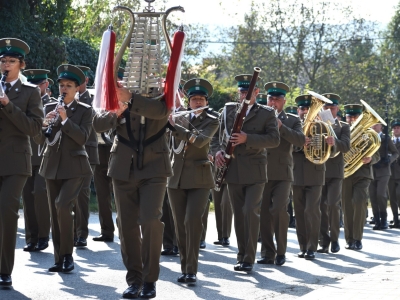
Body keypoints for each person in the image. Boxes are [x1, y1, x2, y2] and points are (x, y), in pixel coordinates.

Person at [93, 82, 172, 299]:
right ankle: (134, 279)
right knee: (126, 225)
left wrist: (131, 100)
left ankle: (149, 280)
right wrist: (116, 113)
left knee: (150, 221)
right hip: (122, 166)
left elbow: (163, 111)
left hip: (154, 166)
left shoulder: (162, 90)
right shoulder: (116, 91)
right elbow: (97, 124)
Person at [214, 73, 280, 272]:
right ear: (238, 92)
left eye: (249, 91)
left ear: (257, 92)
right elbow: (217, 137)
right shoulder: (228, 109)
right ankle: (241, 255)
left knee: (250, 211)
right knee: (239, 215)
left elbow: (274, 140)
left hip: (255, 171)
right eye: (242, 91)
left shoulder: (267, 112)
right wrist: (216, 151)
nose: (245, 95)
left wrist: (247, 138)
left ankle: (249, 258)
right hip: (233, 169)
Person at [34, 64, 93, 273]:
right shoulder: (50, 107)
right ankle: (59, 259)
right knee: (55, 211)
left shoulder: (85, 110)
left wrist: (65, 119)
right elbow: (41, 139)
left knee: (62, 206)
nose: (64, 89)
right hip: (51, 166)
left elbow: (82, 138)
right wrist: (43, 125)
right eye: (61, 85)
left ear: (77, 88)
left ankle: (68, 255)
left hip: (75, 167)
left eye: (69, 85)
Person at [0, 38, 43, 287]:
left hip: (16, 163)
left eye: (11, 61)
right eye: (3, 60)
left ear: (21, 65)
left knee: (6, 211)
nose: (6, 64)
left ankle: (4, 270)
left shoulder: (30, 92)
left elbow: (34, 128)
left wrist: (7, 105)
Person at [167, 78, 219, 283]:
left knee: (192, 221)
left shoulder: (212, 119)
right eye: (193, 99)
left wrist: (174, 127)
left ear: (206, 101)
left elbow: (199, 141)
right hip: (176, 177)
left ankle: (192, 269)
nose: (197, 102)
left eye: (201, 99)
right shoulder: (178, 117)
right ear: (188, 101)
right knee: (180, 225)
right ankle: (185, 268)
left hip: (199, 178)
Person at [257, 82, 305, 266]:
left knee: (278, 210)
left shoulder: (292, 119)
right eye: (271, 98)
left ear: (284, 101)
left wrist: (281, 127)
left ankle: (281, 251)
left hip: (283, 173)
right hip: (262, 170)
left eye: (277, 99)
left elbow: (300, 140)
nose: (273, 102)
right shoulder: (259, 117)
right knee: (264, 213)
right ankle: (268, 253)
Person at [293, 94, 330, 260]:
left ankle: (312, 247)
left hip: (315, 174)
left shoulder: (323, 126)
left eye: (308, 109)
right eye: (302, 109)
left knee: (312, 210)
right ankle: (303, 246)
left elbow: (333, 152)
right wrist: (300, 143)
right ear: (297, 110)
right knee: (299, 212)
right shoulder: (293, 125)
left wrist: (330, 143)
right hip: (296, 174)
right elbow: (284, 146)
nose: (305, 112)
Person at [21, 69, 54, 252]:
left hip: (43, 157)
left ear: (46, 85)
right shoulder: (22, 102)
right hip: (26, 155)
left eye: (38, 84)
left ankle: (43, 236)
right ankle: (31, 238)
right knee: (27, 198)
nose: (35, 87)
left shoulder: (52, 105)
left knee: (40, 194)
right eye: (32, 84)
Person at [91, 67, 125, 242]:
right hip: (99, 150)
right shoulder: (97, 102)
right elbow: (95, 125)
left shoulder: (123, 103)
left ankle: (124, 230)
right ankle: (106, 231)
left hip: (115, 150)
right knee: (102, 193)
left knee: (119, 193)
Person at [342, 103, 380, 250]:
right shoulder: (342, 131)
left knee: (359, 203)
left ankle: (357, 239)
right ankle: (349, 239)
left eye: (355, 116)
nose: (352, 119)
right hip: (345, 174)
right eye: (349, 116)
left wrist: (370, 159)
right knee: (347, 207)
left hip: (363, 173)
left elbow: (376, 154)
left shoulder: (369, 134)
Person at [317, 93, 350, 254]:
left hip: (335, 172)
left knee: (332, 205)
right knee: (321, 207)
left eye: (332, 107)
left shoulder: (343, 126)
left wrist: (334, 141)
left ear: (337, 108)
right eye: (326, 107)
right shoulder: (317, 125)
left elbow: (346, 146)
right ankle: (324, 241)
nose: (329, 110)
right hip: (319, 169)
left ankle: (335, 239)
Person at [73, 65, 99, 247]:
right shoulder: (63, 100)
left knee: (82, 193)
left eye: (77, 82)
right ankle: (70, 231)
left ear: (86, 82)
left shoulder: (94, 100)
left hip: (87, 150)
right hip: (66, 152)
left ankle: (81, 233)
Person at [161, 80, 185, 256]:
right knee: (162, 206)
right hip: (162, 163)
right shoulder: (160, 112)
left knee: (175, 207)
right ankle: (168, 243)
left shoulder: (187, 114)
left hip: (179, 165)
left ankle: (180, 242)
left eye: (175, 93)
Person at [369, 122, 398, 230]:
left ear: (381, 126)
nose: (374, 126)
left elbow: (395, 153)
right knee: (373, 196)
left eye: (377, 124)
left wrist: (389, 160)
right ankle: (377, 220)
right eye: (373, 124)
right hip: (371, 169)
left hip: (384, 170)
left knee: (381, 195)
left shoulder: (386, 138)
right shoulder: (368, 137)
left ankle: (384, 219)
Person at [389, 118, 400, 228]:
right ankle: (395, 219)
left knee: (399, 195)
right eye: (394, 128)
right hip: (390, 173)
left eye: (398, 128)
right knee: (392, 197)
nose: (396, 130)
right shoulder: (389, 141)